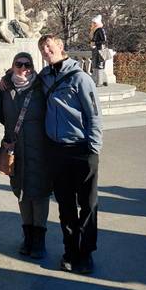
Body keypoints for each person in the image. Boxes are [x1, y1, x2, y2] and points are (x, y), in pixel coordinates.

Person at [38, 34, 103, 275]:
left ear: (60, 47)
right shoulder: (43, 77)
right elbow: (20, 80)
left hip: (81, 149)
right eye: (42, 48)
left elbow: (94, 115)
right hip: (57, 150)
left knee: (87, 204)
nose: (46, 51)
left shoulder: (80, 78)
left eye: (49, 46)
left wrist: (93, 149)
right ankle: (70, 251)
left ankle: (85, 253)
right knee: (65, 205)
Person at [0, 52, 52, 259]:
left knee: (39, 194)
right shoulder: (6, 88)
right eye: (19, 64)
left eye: (27, 64)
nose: (23, 68)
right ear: (12, 66)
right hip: (17, 150)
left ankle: (39, 239)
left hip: (39, 148)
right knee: (21, 192)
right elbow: (4, 118)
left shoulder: (41, 86)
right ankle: (27, 236)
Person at [89, 14, 108, 86]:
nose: (92, 24)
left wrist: (95, 43)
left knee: (99, 65)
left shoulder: (100, 30)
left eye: (93, 23)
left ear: (96, 23)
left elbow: (104, 40)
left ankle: (100, 82)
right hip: (96, 49)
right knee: (97, 65)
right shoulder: (95, 30)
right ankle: (103, 81)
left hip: (100, 49)